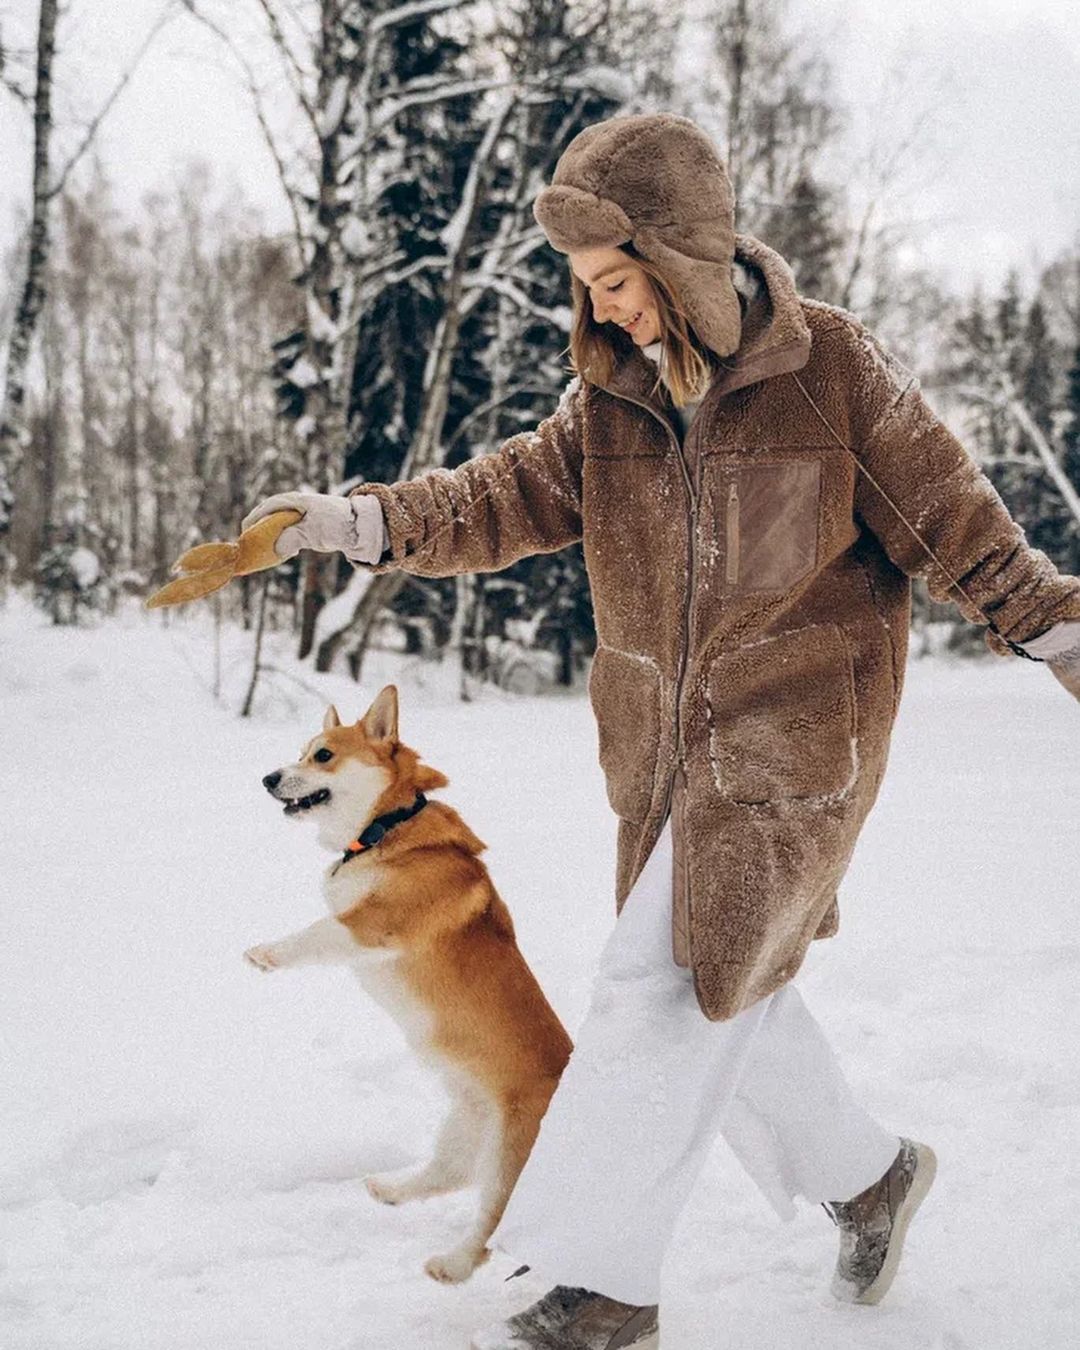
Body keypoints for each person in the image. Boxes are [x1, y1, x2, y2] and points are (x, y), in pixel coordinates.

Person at [243, 113, 1080, 1350]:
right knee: (732, 983)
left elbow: (960, 525)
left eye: (622, 283)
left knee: (657, 986)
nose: (611, 311)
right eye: (589, 291)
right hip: (659, 761)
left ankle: (601, 1285)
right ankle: (871, 1178)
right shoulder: (611, 406)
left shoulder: (830, 371)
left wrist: (1060, 634)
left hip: (795, 755)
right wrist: (352, 521)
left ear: (684, 259)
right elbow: (495, 497)